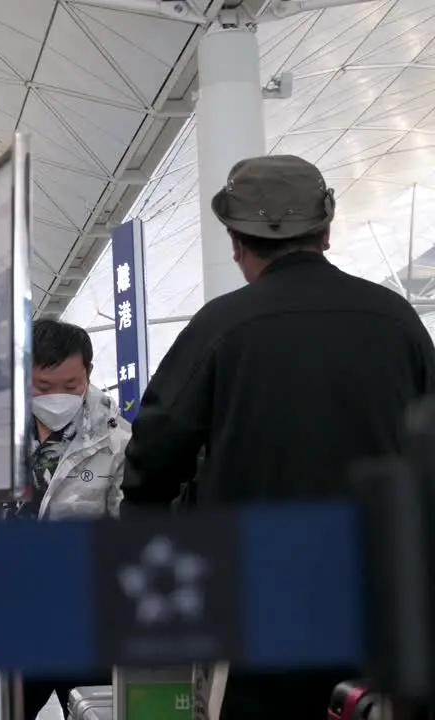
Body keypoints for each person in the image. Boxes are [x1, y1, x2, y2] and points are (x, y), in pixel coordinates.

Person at [122, 154, 435, 718]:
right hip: (381, 605)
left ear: (236, 242)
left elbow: (152, 458)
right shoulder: (398, 320)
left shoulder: (221, 326)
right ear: (327, 230)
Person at [19, 319, 130, 718]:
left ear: (88, 374)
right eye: (43, 387)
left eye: (72, 385)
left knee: (96, 711)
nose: (58, 397)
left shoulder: (117, 443)